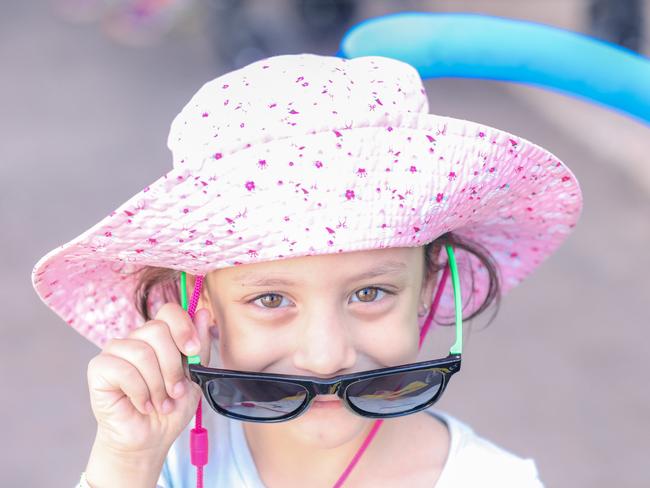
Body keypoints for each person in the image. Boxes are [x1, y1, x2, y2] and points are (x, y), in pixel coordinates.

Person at [32, 54, 582, 487]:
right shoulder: (160, 462)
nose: (325, 356)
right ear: (201, 313)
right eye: (271, 299)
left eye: (370, 292)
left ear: (431, 289)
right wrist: (128, 460)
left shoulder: (494, 481)